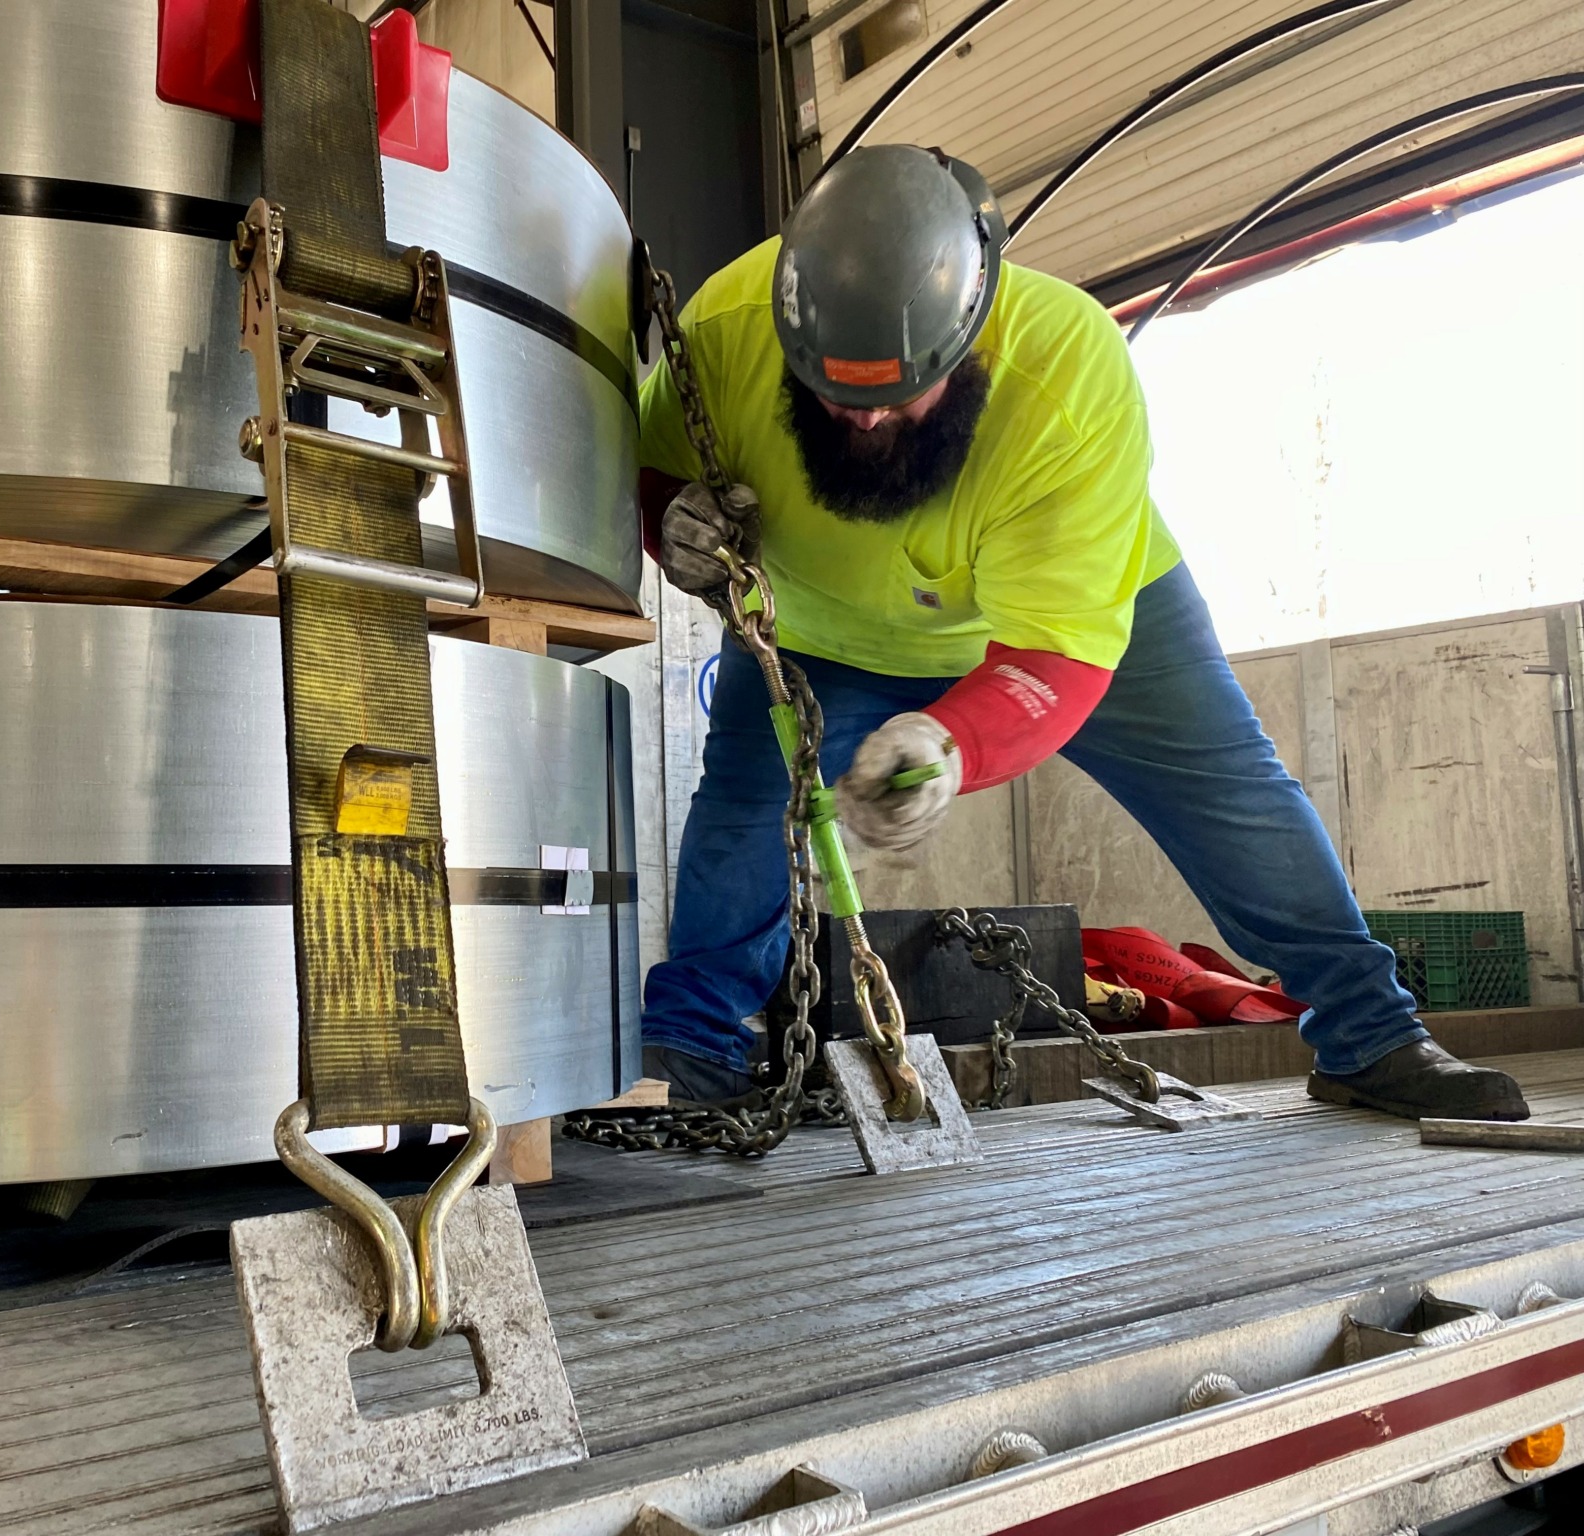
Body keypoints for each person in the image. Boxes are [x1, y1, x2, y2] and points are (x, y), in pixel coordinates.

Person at [635, 144, 1526, 1124]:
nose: (868, 424)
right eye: (836, 396)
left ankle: (1369, 1035)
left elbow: (1053, 655)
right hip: (820, 622)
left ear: (971, 328)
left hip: (1085, 613)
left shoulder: (1065, 372)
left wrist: (952, 743)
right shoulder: (722, 327)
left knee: (1230, 796)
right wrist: (668, 522)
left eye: (901, 395)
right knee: (744, 807)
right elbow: (652, 465)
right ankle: (695, 1053)